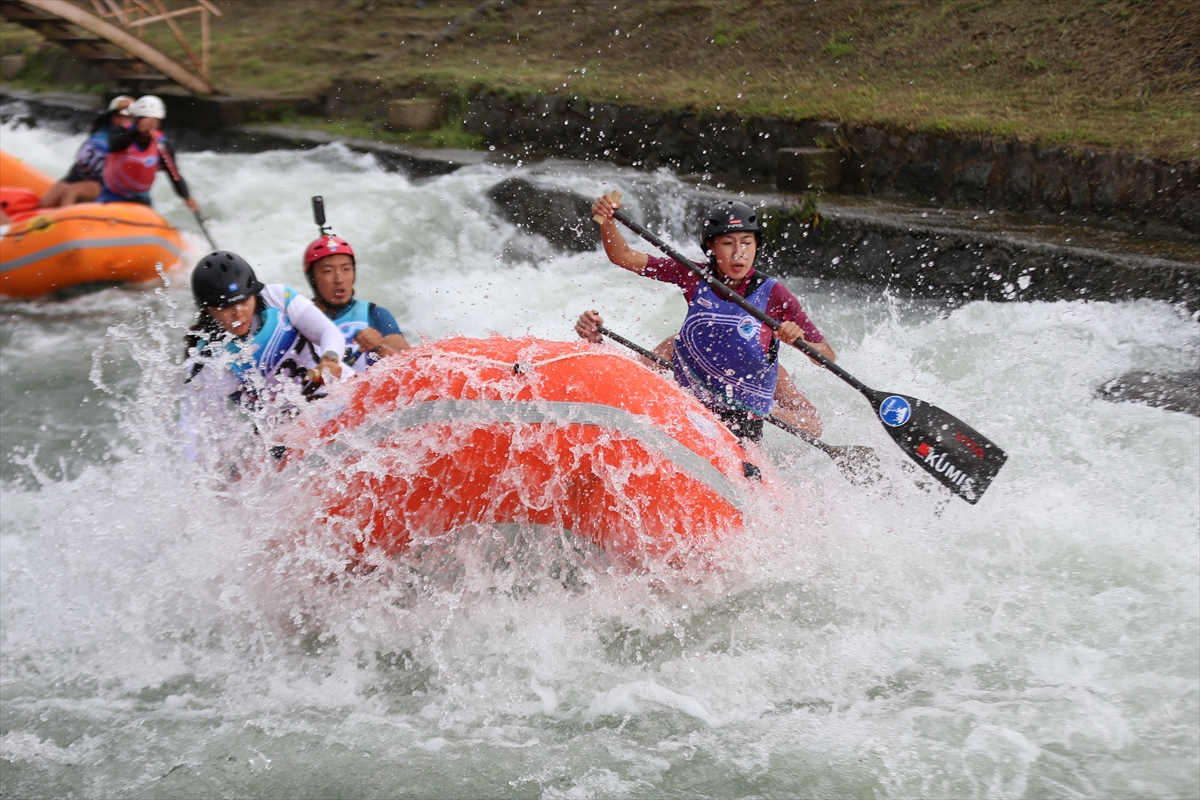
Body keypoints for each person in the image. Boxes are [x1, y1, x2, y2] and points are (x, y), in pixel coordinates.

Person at [576, 196, 835, 442]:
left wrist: (798, 342)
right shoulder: (692, 277)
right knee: (676, 343)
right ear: (711, 245)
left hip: (741, 430)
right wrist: (607, 221)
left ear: (756, 245)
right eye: (728, 243)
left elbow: (824, 368)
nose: (739, 253)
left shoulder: (774, 296)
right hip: (688, 415)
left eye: (747, 242)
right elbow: (623, 256)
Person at [181, 251, 346, 460]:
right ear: (207, 310)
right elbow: (196, 429)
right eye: (225, 307)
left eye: (243, 301)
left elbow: (328, 332)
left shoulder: (276, 297)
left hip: (333, 394)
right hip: (284, 434)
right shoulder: (208, 359)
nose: (238, 313)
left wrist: (330, 359)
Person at [302, 233, 410, 372]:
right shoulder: (299, 320)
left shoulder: (375, 315)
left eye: (346, 269)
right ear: (312, 278)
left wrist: (379, 347)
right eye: (327, 271)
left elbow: (410, 366)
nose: (339, 279)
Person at [98, 95, 199, 213]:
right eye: (143, 119)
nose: (148, 124)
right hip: (111, 195)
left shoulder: (162, 145)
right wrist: (136, 131)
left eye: (153, 121)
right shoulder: (120, 132)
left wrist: (186, 196)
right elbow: (115, 145)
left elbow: (174, 174)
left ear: (159, 122)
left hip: (141, 199)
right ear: (135, 119)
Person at [38, 95, 134, 208]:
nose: (122, 121)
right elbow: (100, 119)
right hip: (76, 175)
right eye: (118, 116)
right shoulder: (99, 128)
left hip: (98, 184)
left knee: (72, 192)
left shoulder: (128, 139)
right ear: (111, 117)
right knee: (45, 203)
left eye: (126, 118)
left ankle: (68, 218)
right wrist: (117, 108)